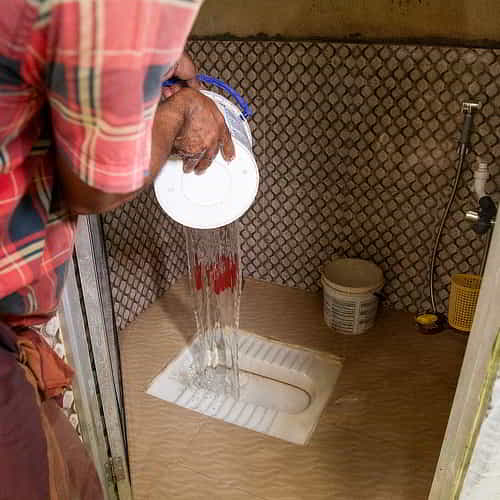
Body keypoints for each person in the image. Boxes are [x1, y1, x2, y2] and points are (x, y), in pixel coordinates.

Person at [0, 1, 233, 498]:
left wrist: (161, 62)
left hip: (12, 334)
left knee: (76, 480)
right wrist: (180, 112)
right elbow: (96, 188)